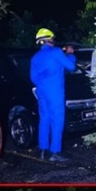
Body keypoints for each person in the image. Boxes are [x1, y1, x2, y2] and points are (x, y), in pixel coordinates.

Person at [29, 27, 75, 162]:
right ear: (49, 39)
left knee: (44, 119)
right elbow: (71, 67)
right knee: (57, 121)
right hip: (55, 92)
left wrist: (44, 84)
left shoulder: (34, 57)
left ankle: (43, 149)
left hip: (42, 92)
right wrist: (71, 54)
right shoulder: (56, 52)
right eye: (53, 38)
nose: (54, 40)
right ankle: (55, 152)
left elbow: (33, 78)